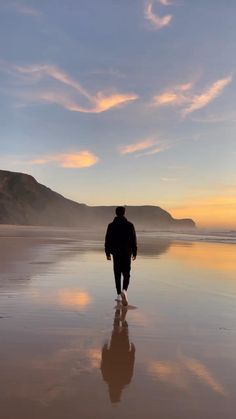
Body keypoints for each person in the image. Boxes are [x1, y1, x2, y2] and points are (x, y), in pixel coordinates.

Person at [105, 206, 137, 305]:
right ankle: (124, 290)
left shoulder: (111, 225)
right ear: (124, 213)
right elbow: (133, 239)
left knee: (117, 273)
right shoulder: (130, 225)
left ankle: (119, 294)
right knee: (126, 273)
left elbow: (108, 240)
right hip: (127, 252)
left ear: (116, 213)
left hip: (116, 253)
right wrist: (134, 252)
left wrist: (107, 252)